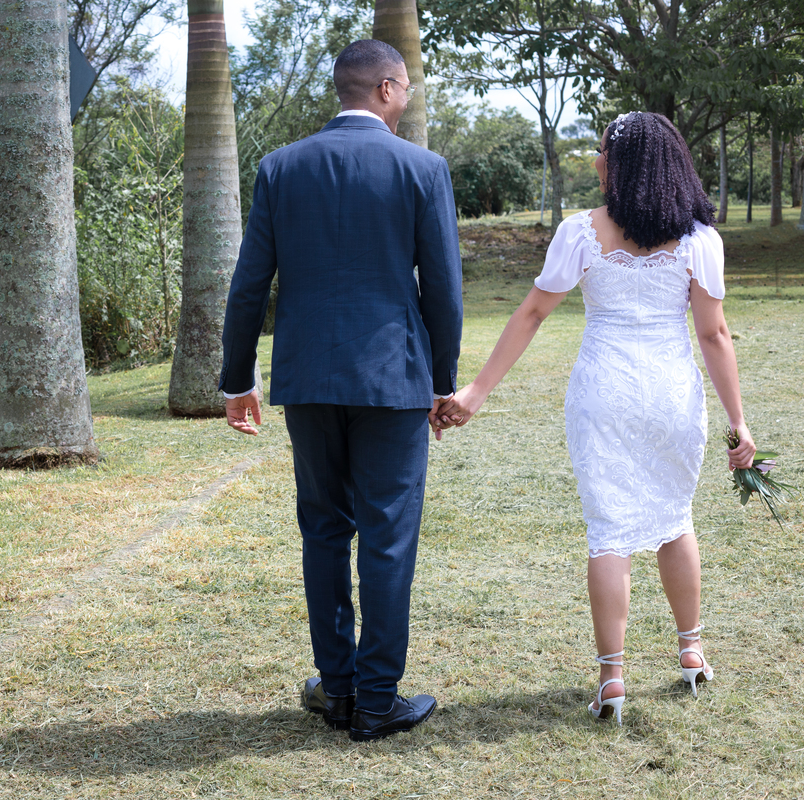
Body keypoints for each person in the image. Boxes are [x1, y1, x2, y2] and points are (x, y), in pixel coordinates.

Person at [436, 111, 755, 726]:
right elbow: (713, 334)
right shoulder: (699, 240)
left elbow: (531, 314)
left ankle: (612, 677)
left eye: (606, 152)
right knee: (674, 519)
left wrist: (476, 391)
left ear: (626, 164)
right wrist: (739, 422)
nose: (599, 161)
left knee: (609, 532)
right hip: (670, 392)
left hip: (602, 391)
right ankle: (691, 650)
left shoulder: (581, 232)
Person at [218, 39, 463, 741]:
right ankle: (378, 698)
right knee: (387, 535)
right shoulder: (423, 168)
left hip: (310, 380)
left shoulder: (281, 166)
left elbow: (247, 288)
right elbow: (443, 293)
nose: (408, 95)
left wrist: (239, 380)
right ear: (386, 88)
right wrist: (442, 383)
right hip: (395, 380)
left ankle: (338, 688)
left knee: (324, 531)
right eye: (407, 86)